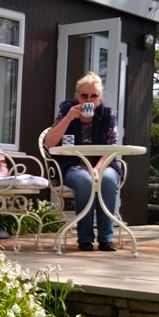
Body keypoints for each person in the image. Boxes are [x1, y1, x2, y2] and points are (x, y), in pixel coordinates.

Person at [43, 71, 123, 252]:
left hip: (103, 164)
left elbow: (111, 146)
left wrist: (97, 168)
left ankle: (106, 239)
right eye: (84, 95)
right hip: (73, 165)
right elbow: (49, 143)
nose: (89, 100)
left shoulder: (107, 115)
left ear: (99, 97)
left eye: (94, 96)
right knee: (85, 182)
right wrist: (68, 118)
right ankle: (85, 239)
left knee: (109, 180)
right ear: (77, 96)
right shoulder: (66, 112)